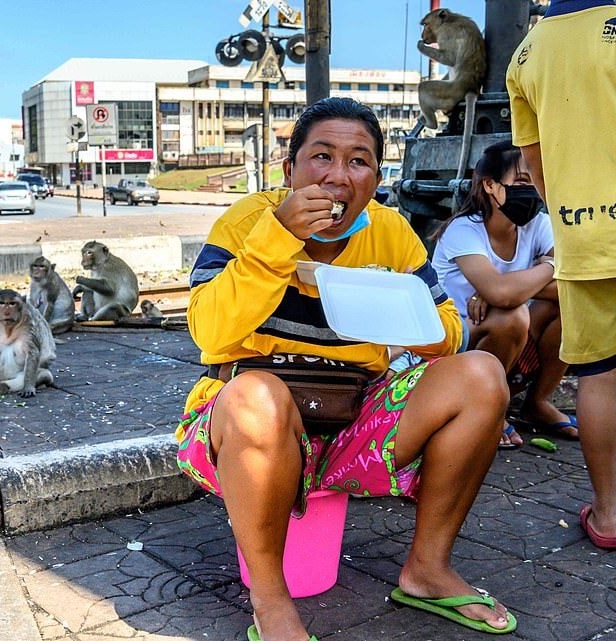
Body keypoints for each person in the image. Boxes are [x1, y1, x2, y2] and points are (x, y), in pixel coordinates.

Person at [176, 98, 516, 640]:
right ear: (288, 170)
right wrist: (277, 241)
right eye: (321, 157)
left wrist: (412, 322)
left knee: (481, 374)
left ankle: (427, 568)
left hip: (356, 419)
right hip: (251, 421)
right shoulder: (245, 223)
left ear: (376, 177)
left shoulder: (391, 231)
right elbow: (209, 333)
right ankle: (270, 600)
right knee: (256, 397)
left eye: (358, 161)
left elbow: (449, 325)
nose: (338, 176)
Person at [507, 1, 616, 550]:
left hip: (581, 236)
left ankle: (607, 514)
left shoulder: (526, 55)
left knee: (600, 379)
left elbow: (532, 160)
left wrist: (569, 211)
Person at [431, 141, 576, 449]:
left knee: (574, 305)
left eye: (537, 179)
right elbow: (501, 294)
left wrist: (508, 286)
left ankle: (538, 401)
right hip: (458, 338)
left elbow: (573, 284)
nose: (533, 189)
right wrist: (553, 265)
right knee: (510, 315)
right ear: (490, 186)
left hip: (511, 337)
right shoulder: (463, 230)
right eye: (523, 181)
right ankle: (487, 408)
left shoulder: (538, 225)